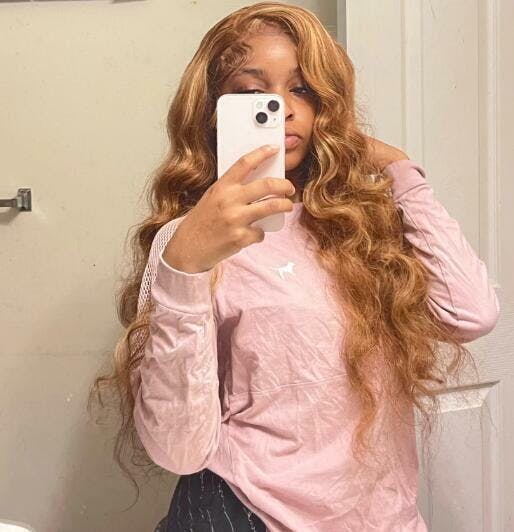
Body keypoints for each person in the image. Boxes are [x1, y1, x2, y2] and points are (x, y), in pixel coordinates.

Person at [88, 2, 500, 531]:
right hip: (253, 513)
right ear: (212, 111)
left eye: (302, 88)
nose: (281, 108)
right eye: (251, 92)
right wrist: (185, 269)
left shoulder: (364, 221)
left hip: (383, 516)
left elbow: (470, 313)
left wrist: (400, 171)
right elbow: (178, 449)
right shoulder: (190, 240)